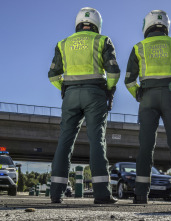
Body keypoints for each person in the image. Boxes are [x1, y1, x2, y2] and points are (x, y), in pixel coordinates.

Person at [124, 10, 171, 204]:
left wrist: (138, 95)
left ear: (146, 26)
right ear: (166, 26)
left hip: (148, 97)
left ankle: (140, 194)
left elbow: (129, 80)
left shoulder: (139, 47)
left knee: (146, 146)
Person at [48, 7, 120, 204]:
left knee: (64, 142)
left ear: (78, 23)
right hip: (95, 94)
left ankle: (56, 193)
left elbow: (53, 75)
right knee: (97, 140)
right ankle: (102, 194)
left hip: (70, 95)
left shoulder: (63, 44)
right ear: (97, 24)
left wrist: (63, 87)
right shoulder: (102, 40)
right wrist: (109, 89)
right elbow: (113, 72)